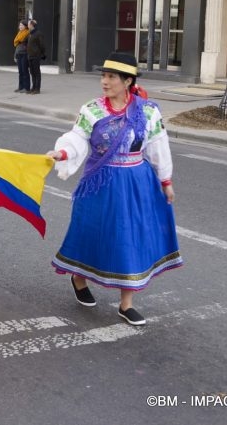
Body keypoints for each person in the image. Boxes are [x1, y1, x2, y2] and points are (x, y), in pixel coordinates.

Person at [45, 52, 181, 327]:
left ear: (128, 81)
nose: (105, 82)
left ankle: (126, 303)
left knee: (130, 237)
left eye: (111, 77)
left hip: (136, 182)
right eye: (103, 76)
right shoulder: (93, 110)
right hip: (101, 181)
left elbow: (157, 146)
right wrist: (61, 153)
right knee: (91, 232)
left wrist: (166, 181)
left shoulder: (148, 111)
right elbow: (78, 139)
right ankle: (79, 277)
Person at [26, 19, 46, 95]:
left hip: (36, 56)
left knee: (37, 72)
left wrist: (42, 54)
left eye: (28, 24)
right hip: (30, 55)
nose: (27, 26)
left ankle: (37, 89)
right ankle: (33, 87)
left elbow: (42, 45)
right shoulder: (30, 34)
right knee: (32, 72)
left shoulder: (38, 34)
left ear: (32, 25)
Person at [13, 19, 30, 93]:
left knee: (25, 71)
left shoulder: (27, 34)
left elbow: (28, 45)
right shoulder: (19, 33)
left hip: (24, 54)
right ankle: (20, 87)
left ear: (25, 26)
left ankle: (26, 88)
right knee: (20, 72)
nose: (20, 26)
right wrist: (15, 55)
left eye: (22, 25)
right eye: (19, 25)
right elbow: (17, 46)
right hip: (19, 54)